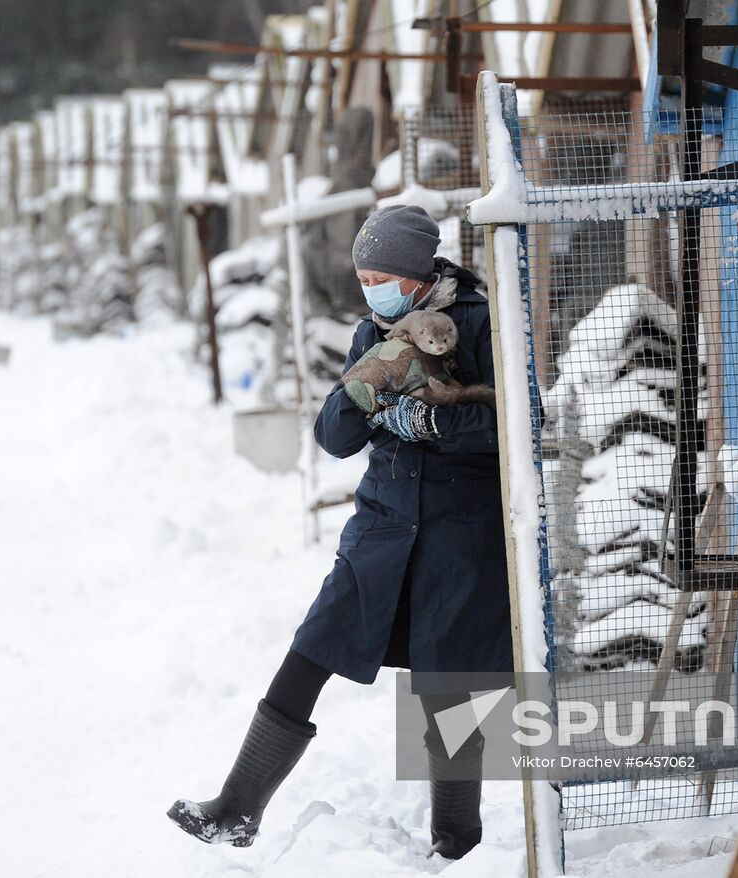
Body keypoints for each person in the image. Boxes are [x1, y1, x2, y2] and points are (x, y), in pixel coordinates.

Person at [169, 205, 513, 860]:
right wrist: (373, 377)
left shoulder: (480, 323)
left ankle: (458, 843)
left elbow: (513, 424)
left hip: (459, 533)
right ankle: (236, 809)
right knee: (313, 648)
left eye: (382, 277)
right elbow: (334, 437)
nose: (372, 290)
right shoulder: (373, 331)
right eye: (364, 278)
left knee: (451, 684)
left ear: (418, 275)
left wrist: (431, 425)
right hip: (381, 529)